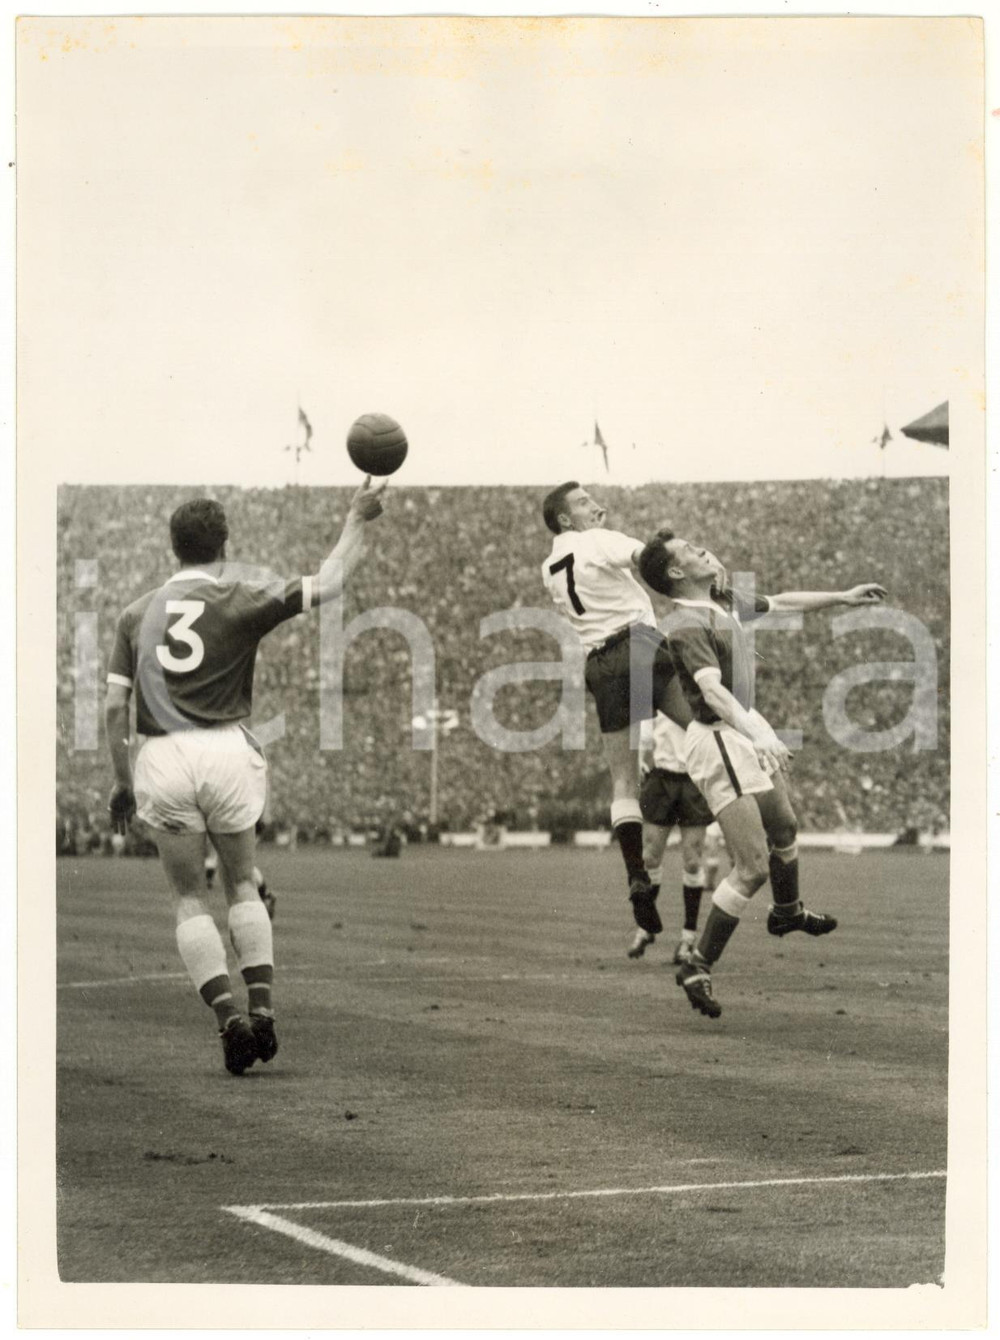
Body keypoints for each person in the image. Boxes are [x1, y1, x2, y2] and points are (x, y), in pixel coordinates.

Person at [105, 477, 386, 1074]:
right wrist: (357, 518)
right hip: (227, 750)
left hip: (162, 754)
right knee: (241, 884)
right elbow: (331, 581)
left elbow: (111, 708)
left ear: (173, 547)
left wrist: (123, 784)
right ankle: (262, 1012)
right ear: (223, 545)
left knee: (188, 898)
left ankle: (228, 1020)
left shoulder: (135, 615)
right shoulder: (240, 596)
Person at [637, 528, 885, 1019]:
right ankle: (697, 963)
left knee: (785, 827)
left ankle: (787, 912)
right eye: (691, 550)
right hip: (719, 739)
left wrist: (842, 597)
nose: (704, 547)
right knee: (751, 865)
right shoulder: (686, 623)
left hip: (742, 732)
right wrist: (760, 734)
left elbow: (785, 603)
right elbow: (713, 694)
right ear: (675, 572)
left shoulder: (723, 602)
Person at [540, 483, 691, 934]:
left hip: (599, 663)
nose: (597, 506)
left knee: (623, 780)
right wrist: (672, 557)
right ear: (566, 519)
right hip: (640, 643)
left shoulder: (548, 565)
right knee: (705, 727)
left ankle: (636, 876)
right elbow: (648, 560)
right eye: (585, 502)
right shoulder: (598, 540)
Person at [628, 711, 725, 964]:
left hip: (693, 780)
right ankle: (646, 927)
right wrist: (639, 759)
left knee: (692, 861)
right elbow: (645, 732)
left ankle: (688, 937)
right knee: (649, 858)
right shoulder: (657, 686)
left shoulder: (697, 687)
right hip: (661, 777)